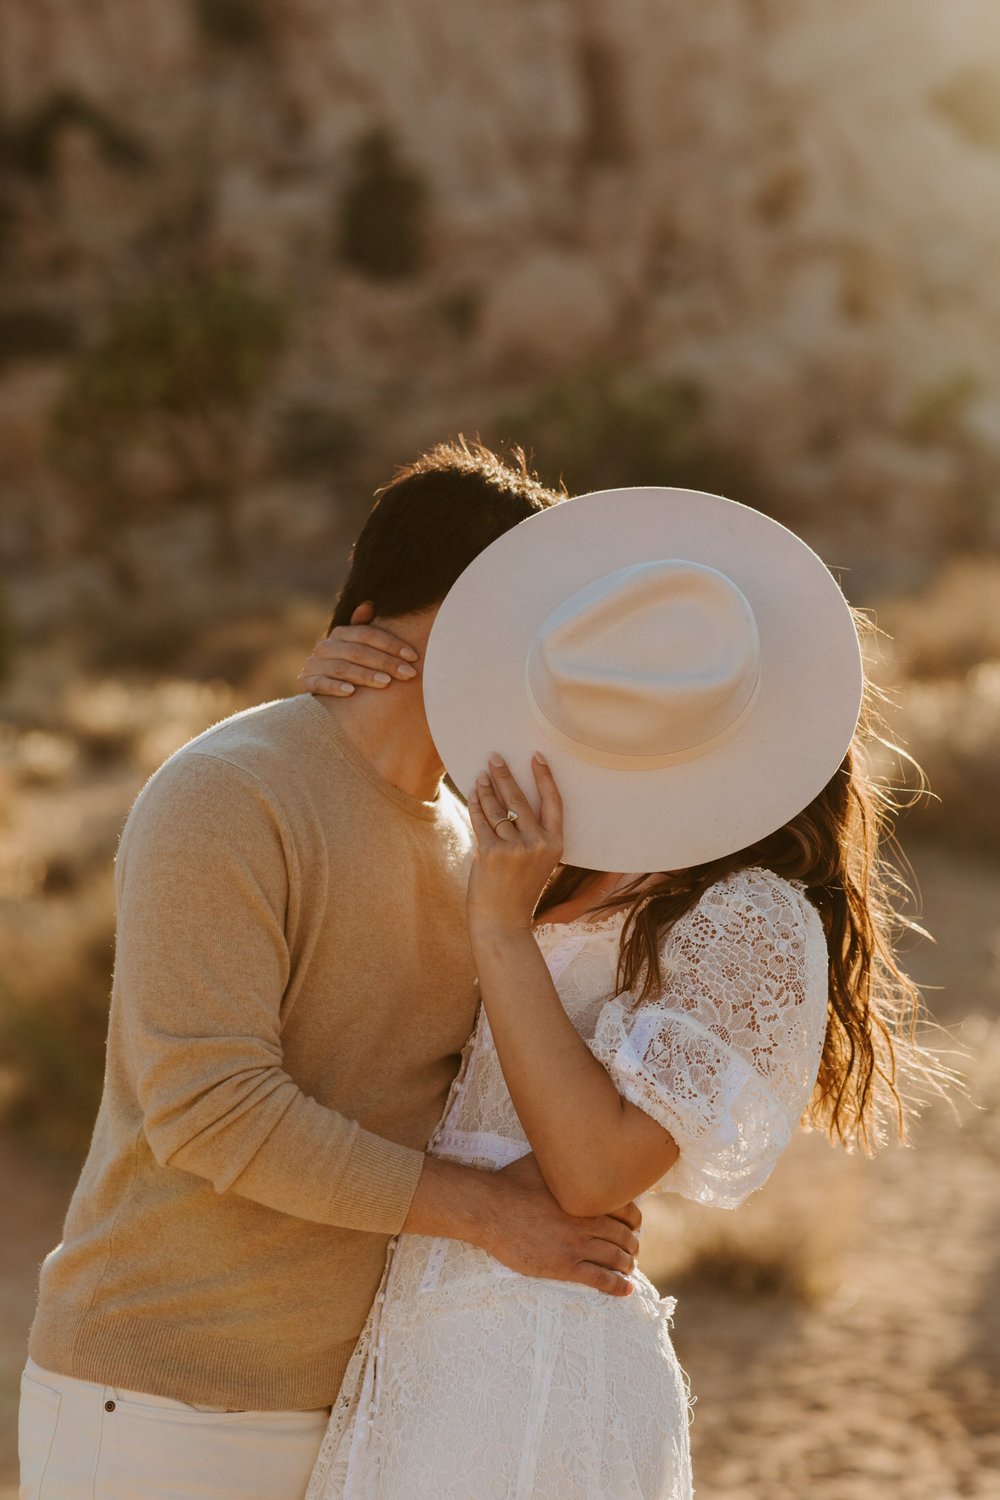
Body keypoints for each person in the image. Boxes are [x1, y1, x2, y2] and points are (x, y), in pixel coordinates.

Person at [19, 439, 645, 1500]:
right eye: (494, 614)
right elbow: (213, 1110)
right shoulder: (228, 792)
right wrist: (498, 1215)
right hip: (163, 1407)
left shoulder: (482, 851)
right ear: (368, 623)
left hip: (367, 1414)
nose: (533, 651)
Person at [296, 484, 942, 1500]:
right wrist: (332, 706)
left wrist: (503, 930)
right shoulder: (554, 854)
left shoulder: (749, 918)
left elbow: (594, 1172)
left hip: (538, 1365)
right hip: (412, 1348)